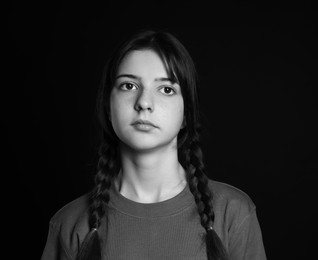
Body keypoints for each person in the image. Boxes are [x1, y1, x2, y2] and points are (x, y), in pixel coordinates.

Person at [41, 30, 267, 260]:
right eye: (128, 86)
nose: (144, 103)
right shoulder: (69, 224)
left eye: (166, 89)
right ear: (108, 106)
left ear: (187, 114)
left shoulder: (233, 213)